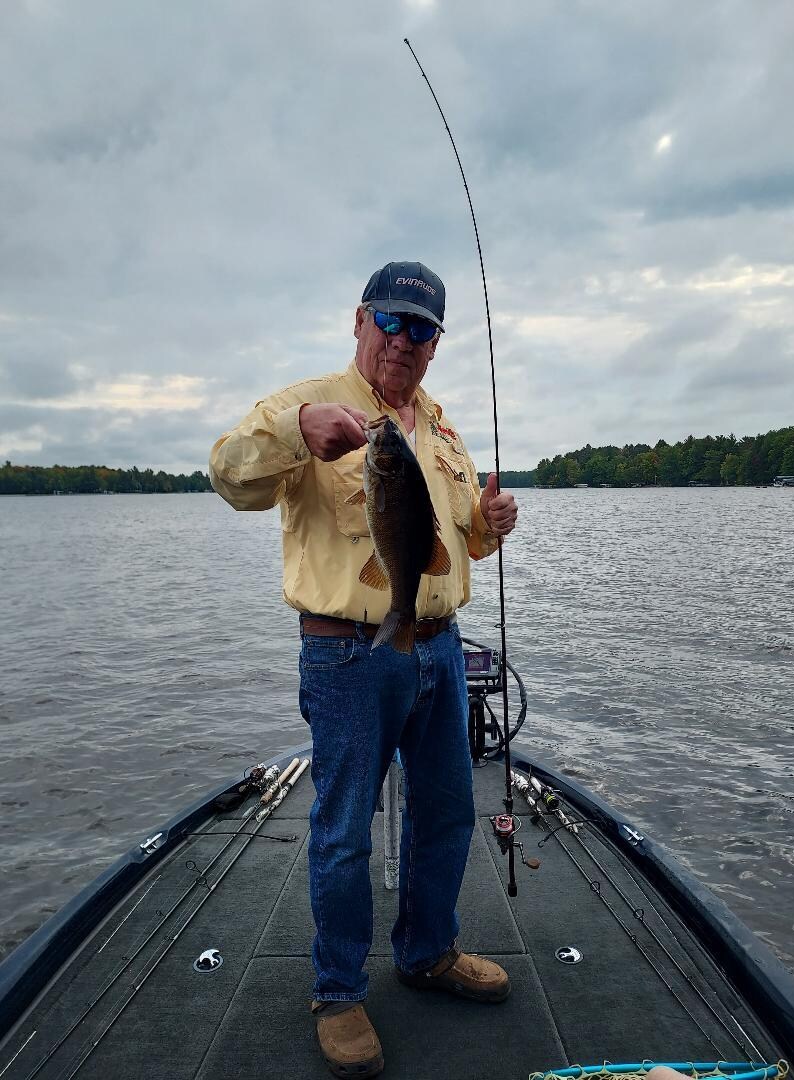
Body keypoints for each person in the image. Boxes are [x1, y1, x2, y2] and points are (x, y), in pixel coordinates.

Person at [209, 261, 519, 1078]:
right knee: (344, 830)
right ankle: (339, 992)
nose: (404, 343)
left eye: (423, 331)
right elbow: (228, 475)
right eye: (393, 321)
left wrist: (487, 524)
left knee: (448, 813)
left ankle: (427, 952)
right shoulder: (303, 404)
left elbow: (453, 543)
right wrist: (296, 431)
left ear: (436, 345)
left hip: (440, 645)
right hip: (347, 652)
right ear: (359, 319)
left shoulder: (443, 429)